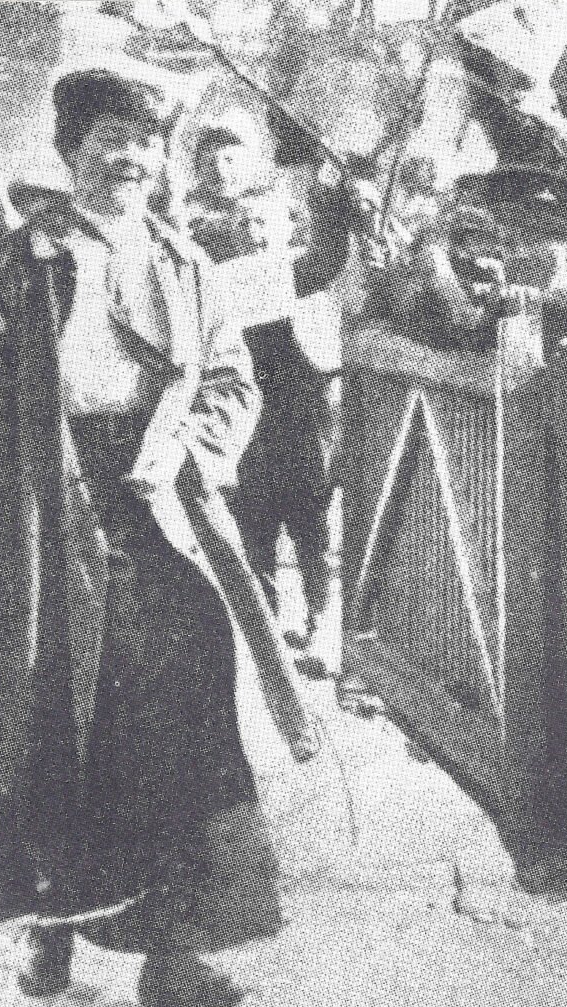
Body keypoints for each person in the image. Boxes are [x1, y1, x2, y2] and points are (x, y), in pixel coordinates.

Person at [0, 68, 302, 1007]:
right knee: (49, 726)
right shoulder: (19, 266)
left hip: (157, 511)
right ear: (70, 156)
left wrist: (191, 445)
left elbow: (232, 381)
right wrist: (3, 527)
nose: (128, 160)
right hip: (44, 525)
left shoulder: (186, 264)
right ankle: (51, 931)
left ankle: (174, 953)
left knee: (186, 705)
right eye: (107, 143)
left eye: (142, 144)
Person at [184, 105, 353, 676]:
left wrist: (334, 199)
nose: (221, 164)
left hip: (297, 410)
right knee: (252, 518)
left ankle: (323, 622)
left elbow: (323, 259)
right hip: (246, 412)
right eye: (210, 156)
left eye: (232, 153)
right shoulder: (202, 258)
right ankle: (270, 629)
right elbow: (319, 260)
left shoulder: (274, 260)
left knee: (311, 519)